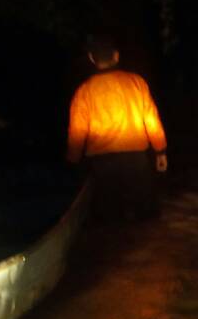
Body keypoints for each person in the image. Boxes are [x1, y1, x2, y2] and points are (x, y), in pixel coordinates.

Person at [66, 36, 168, 220]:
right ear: (116, 56)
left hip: (102, 159)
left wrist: (73, 160)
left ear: (91, 58)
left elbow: (77, 131)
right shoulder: (136, 82)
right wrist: (160, 150)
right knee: (145, 215)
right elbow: (151, 119)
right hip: (136, 156)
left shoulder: (85, 90)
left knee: (110, 216)